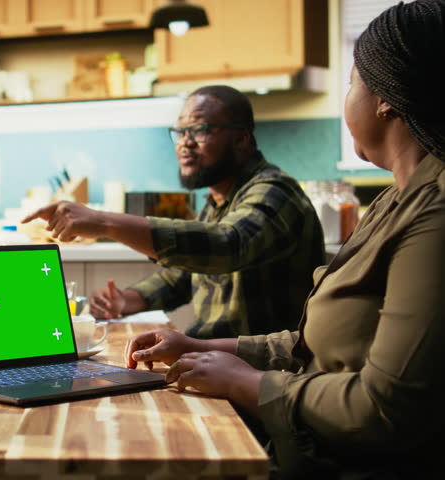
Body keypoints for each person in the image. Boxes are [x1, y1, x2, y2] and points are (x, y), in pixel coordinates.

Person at [125, 1, 445, 477]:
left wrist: (249, 383)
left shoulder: (432, 212)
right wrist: (203, 347)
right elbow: (313, 347)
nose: (186, 141)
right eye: (182, 131)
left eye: (352, 81)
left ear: (385, 98)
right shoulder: (393, 201)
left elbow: (385, 410)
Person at [23, 85, 324, 339]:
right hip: (213, 358)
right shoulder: (220, 201)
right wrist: (128, 299)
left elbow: (228, 245)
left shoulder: (275, 191)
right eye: (180, 132)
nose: (185, 143)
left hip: (262, 373)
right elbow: (183, 276)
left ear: (242, 139)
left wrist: (104, 222)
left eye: (200, 130)